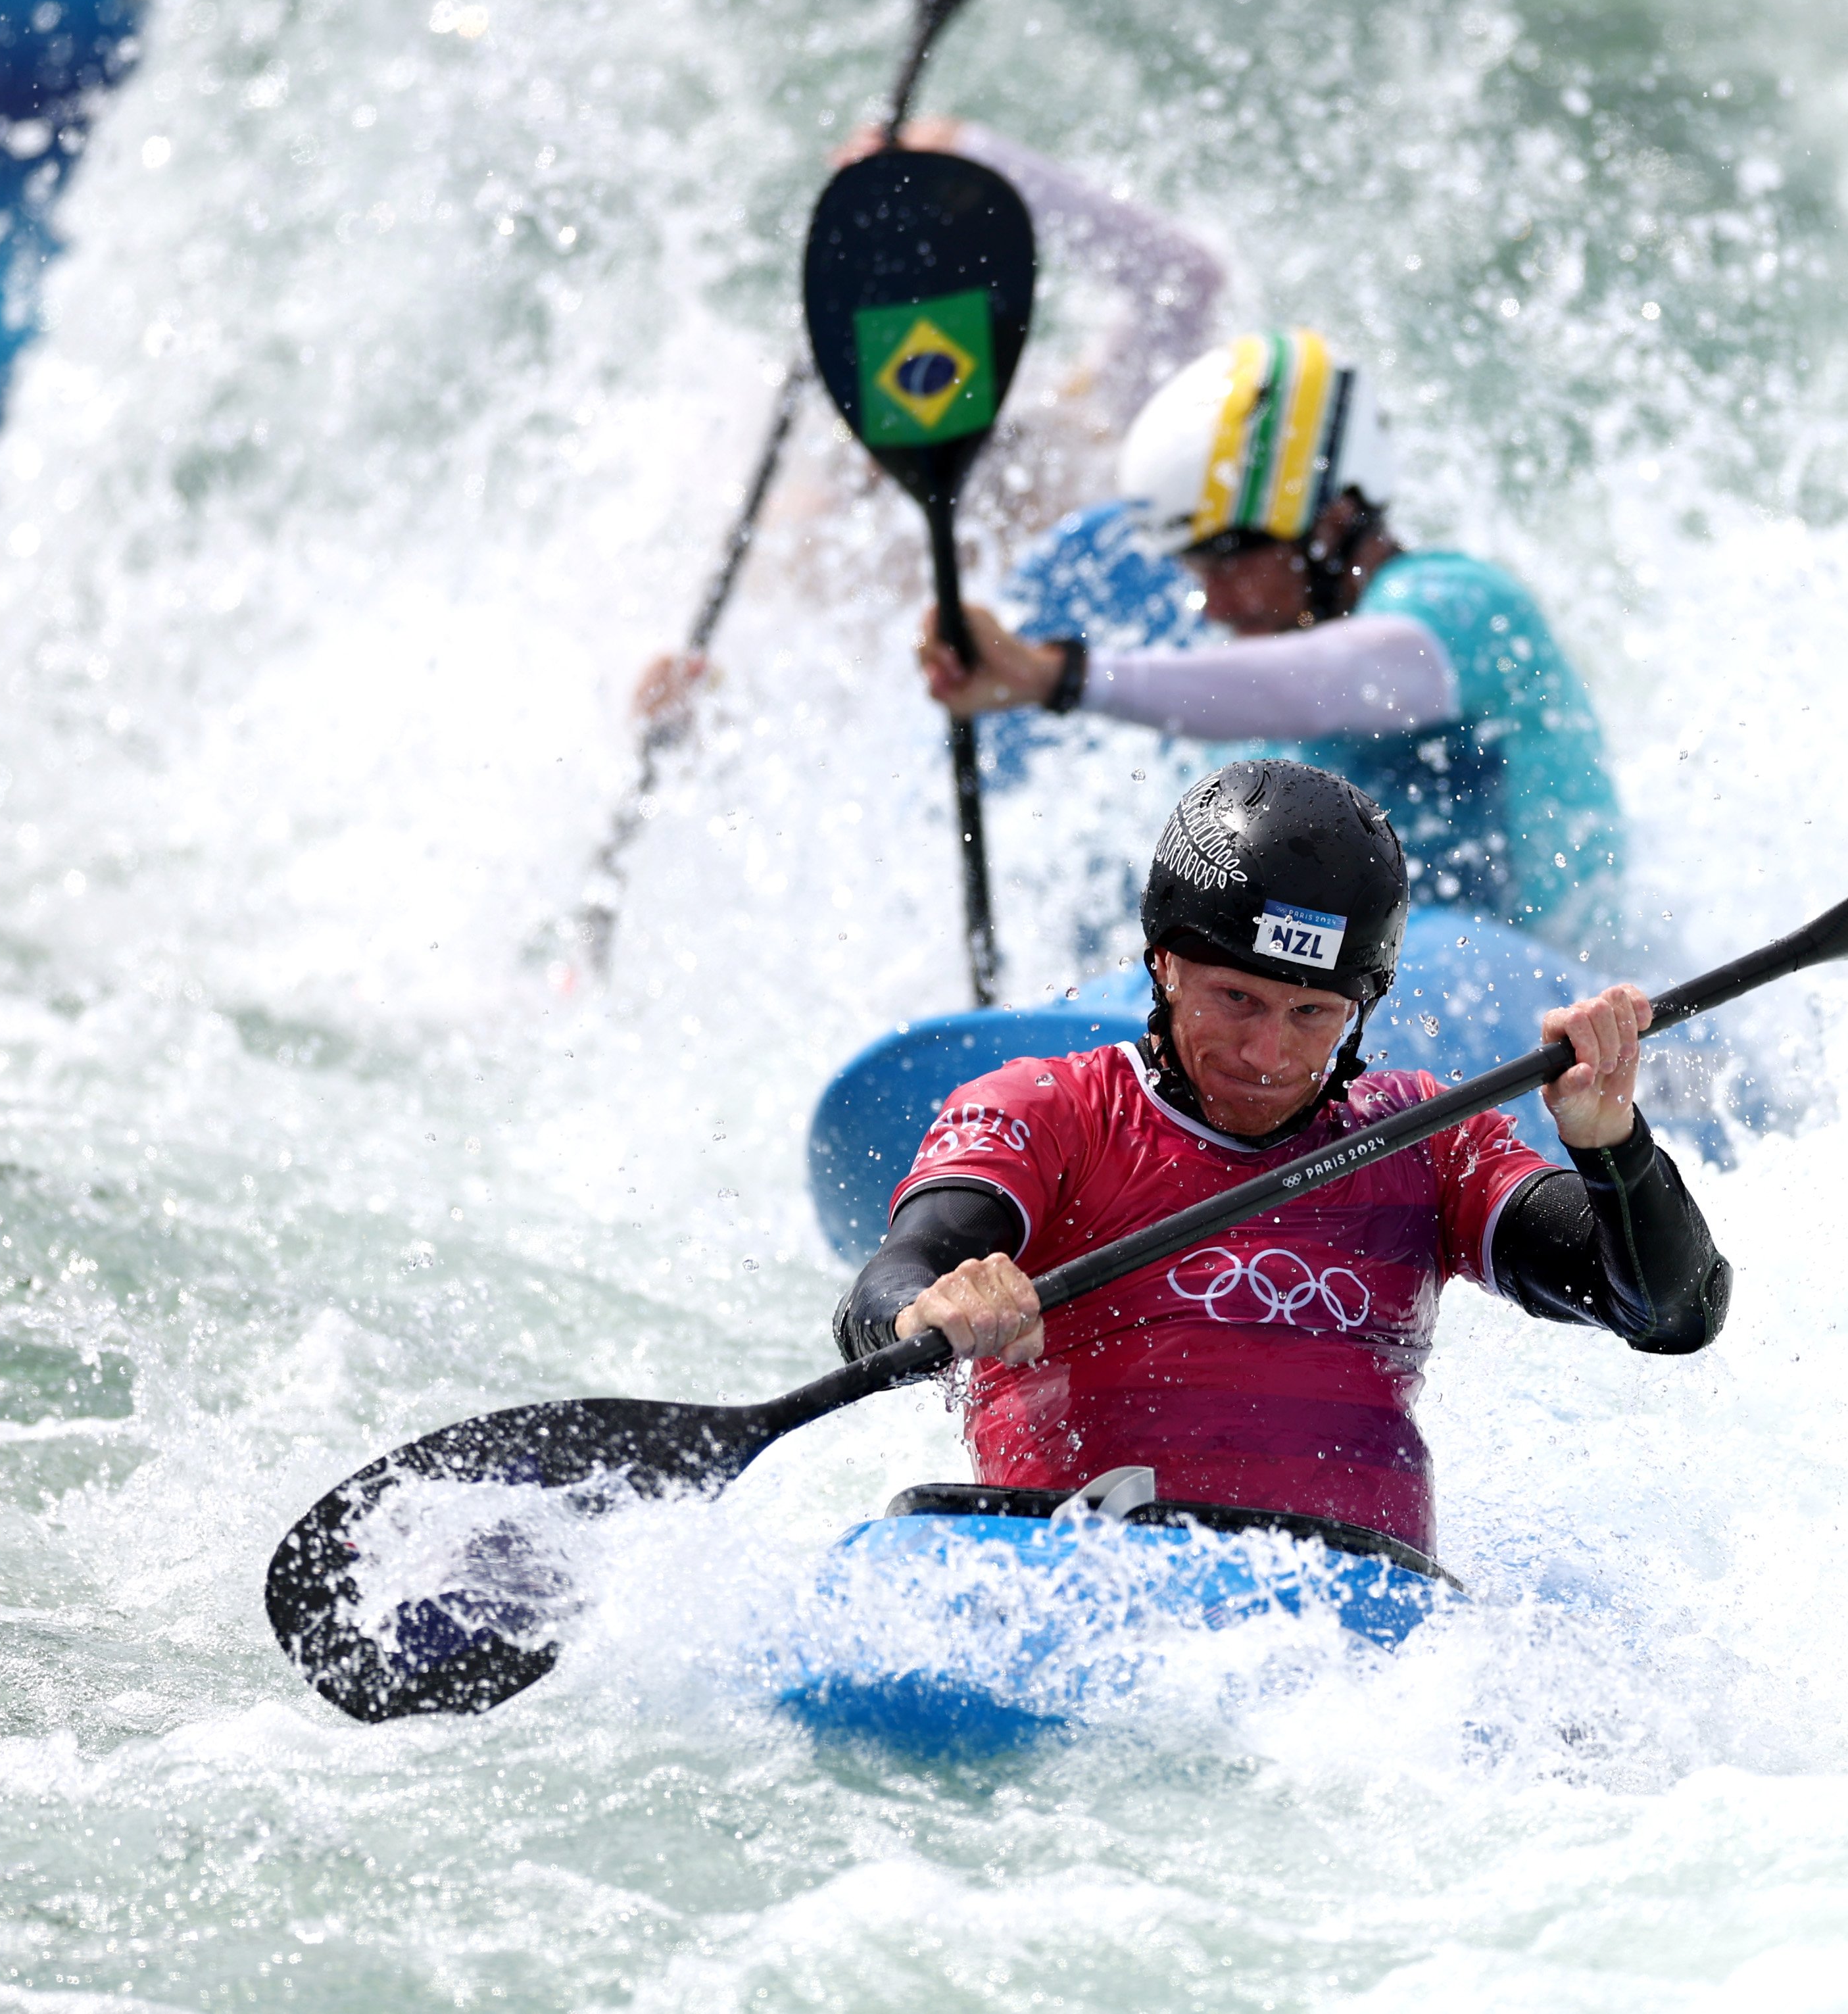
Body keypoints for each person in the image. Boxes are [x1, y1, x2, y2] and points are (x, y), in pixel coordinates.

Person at [832, 758, 1730, 1558]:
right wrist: (929, 1305)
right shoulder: (1047, 1109)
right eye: (1235, 998)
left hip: (1346, 1644)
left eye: (1311, 1015)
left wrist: (1611, 1143)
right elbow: (892, 1279)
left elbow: (1672, 1313)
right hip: (1071, 1581)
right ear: (1162, 965)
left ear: (1361, 1007)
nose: (1267, 1054)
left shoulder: (1428, 1141)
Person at [912, 329, 1630, 946]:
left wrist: (1057, 677)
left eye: (1232, 558)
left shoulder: (1463, 605)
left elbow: (1331, 681)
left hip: (1561, 989)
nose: (1214, 603)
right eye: (1195, 567)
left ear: (1334, 517)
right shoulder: (1266, 683)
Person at [634, 115, 1227, 727]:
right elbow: (793, 744)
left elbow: (1181, 277)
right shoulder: (816, 542)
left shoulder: (1085, 437)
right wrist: (685, 716)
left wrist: (969, 156)